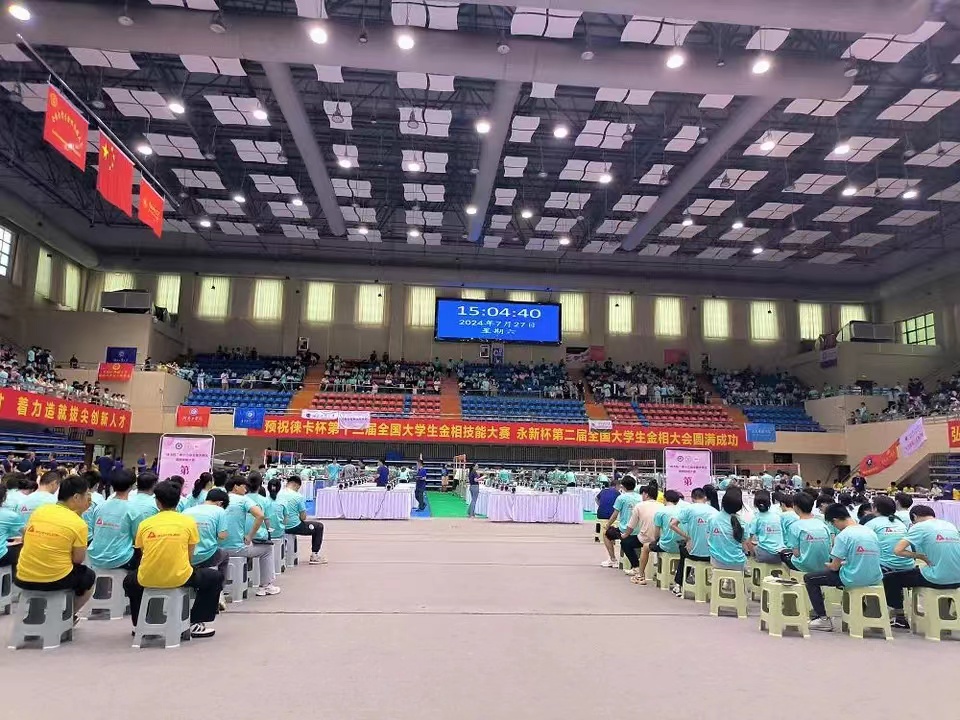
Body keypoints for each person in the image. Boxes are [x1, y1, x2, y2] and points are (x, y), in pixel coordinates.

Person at [122, 480, 222, 639]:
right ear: (178, 500)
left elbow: (143, 553)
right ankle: (195, 622)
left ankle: (142, 622)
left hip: (147, 577)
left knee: (129, 581)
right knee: (215, 577)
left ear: (157, 502)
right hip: (180, 576)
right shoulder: (188, 522)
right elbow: (189, 557)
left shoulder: (145, 524)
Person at [13, 473, 96, 614]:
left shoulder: (40, 511)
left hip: (22, 576)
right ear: (76, 497)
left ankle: (36, 614)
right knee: (89, 577)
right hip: (54, 579)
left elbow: (26, 539)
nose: (89, 499)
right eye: (87, 495)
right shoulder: (79, 523)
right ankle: (67, 617)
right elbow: (78, 559)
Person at [804, 503, 883, 632]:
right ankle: (865, 614)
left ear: (835, 520)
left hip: (853, 578)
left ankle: (822, 619)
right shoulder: (870, 531)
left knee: (810, 578)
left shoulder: (844, 535)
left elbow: (834, 567)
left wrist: (828, 565)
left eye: (833, 524)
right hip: (875, 577)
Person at [885, 504, 960, 629]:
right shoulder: (950, 525)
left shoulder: (919, 527)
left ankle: (899, 617)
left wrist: (920, 556)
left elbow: (898, 550)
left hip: (937, 578)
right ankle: (944, 616)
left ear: (914, 517)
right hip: (957, 578)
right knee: (938, 571)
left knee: (890, 579)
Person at [221, 476, 279, 597]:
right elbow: (260, 516)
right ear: (236, 487)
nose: (245, 489)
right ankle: (266, 586)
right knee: (267, 549)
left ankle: (224, 587)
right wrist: (250, 536)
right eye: (243, 486)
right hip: (236, 549)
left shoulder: (219, 499)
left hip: (217, 549)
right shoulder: (243, 500)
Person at [670, 487, 719, 596]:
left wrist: (687, 537)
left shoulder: (689, 509)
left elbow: (672, 524)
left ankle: (679, 584)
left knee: (683, 549)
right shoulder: (714, 511)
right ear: (705, 498)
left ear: (692, 498)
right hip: (713, 555)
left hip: (694, 553)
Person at [87, 469, 139, 571]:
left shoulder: (99, 506)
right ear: (132, 486)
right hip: (120, 558)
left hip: (95, 556)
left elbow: (94, 530)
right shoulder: (133, 510)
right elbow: (136, 537)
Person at [277, 476, 326, 565]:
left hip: (279, 526)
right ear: (296, 485)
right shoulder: (298, 496)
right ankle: (314, 555)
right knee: (319, 526)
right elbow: (303, 517)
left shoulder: (278, 494)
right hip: (293, 526)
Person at [183, 487, 230, 579]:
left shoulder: (187, 511)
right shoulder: (219, 511)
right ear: (220, 503)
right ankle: (220, 585)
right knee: (225, 555)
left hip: (186, 557)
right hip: (207, 557)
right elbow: (222, 536)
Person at [620, 482, 662, 583]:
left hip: (644, 538)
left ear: (646, 494)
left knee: (625, 543)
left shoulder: (639, 506)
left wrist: (625, 535)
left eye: (642, 494)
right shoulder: (662, 506)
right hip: (659, 539)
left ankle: (636, 566)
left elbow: (631, 526)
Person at [601, 477, 640, 569]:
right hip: (639, 530)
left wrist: (607, 525)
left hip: (624, 530)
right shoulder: (640, 497)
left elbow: (614, 515)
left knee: (606, 534)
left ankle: (613, 559)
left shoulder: (621, 498)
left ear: (623, 486)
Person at [708, 487, 748, 570]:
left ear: (722, 501)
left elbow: (709, 539)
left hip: (717, 562)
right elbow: (745, 546)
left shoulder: (712, 519)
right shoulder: (742, 522)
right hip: (738, 563)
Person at [747, 490, 785, 565]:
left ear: (755, 504)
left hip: (764, 555)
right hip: (780, 555)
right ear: (769, 503)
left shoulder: (756, 519)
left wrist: (753, 555)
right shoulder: (778, 516)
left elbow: (748, 541)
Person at [0, 485, 25, 570]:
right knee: (23, 547)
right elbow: (25, 533)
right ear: (4, 498)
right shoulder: (10, 515)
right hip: (1, 556)